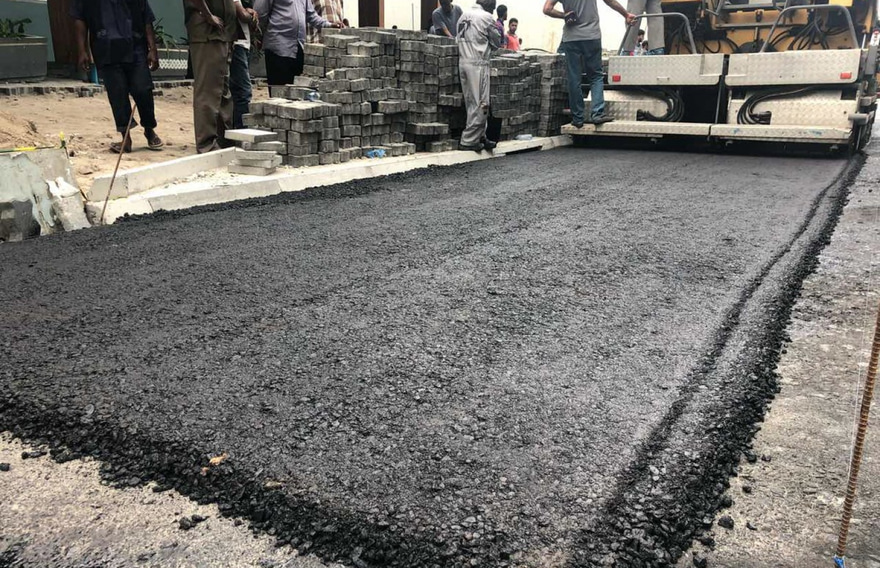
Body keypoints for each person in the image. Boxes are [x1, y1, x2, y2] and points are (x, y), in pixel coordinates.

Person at [71, 0, 164, 153]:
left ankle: (149, 129)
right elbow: (80, 19)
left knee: (143, 89)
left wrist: (152, 49)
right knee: (117, 94)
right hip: (106, 48)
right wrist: (82, 50)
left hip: (135, 46)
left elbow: (146, 18)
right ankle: (125, 138)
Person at [543, 0, 635, 127]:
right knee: (595, 76)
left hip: (571, 39)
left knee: (574, 78)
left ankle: (577, 118)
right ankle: (597, 114)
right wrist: (626, 14)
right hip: (591, 37)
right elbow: (610, 1)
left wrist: (564, 15)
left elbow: (547, 9)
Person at [185, 0, 237, 154]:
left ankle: (224, 140)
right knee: (208, 91)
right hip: (208, 32)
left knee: (222, 90)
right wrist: (208, 15)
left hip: (222, 34)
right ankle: (207, 144)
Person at [255, 0, 342, 86]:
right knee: (279, 89)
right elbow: (260, 13)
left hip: (298, 47)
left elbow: (311, 15)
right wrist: (261, 34)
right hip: (278, 47)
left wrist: (329, 25)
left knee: (296, 90)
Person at [456, 0, 502, 152]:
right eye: (493, 8)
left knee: (471, 102)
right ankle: (469, 140)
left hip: (463, 61)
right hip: (478, 63)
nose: (493, 12)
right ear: (489, 6)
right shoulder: (486, 17)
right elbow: (496, 42)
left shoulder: (463, 16)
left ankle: (480, 136)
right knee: (481, 103)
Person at [231, 0, 258, 129]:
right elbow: (242, 15)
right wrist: (250, 14)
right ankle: (241, 129)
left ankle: (236, 128)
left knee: (238, 91)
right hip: (237, 44)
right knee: (243, 91)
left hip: (243, 44)